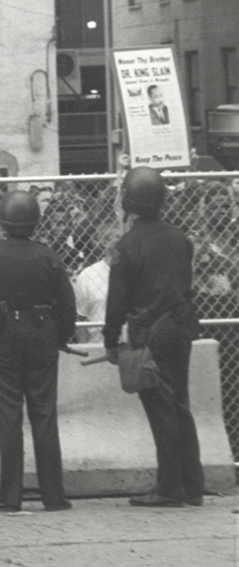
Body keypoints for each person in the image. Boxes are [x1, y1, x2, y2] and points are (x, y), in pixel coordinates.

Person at [0, 191, 76, 514]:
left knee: (9, 415)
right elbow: (67, 304)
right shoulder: (48, 255)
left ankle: (9, 495)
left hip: (2, 339)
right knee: (44, 413)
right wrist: (62, 336)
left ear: (1, 221)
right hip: (42, 337)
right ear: (36, 221)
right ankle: (53, 495)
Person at [104, 167, 204, 508]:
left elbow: (116, 301)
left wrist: (109, 339)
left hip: (151, 334)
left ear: (128, 201)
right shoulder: (180, 239)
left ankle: (169, 488)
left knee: (160, 409)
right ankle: (193, 486)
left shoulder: (127, 245)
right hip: (180, 327)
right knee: (180, 405)